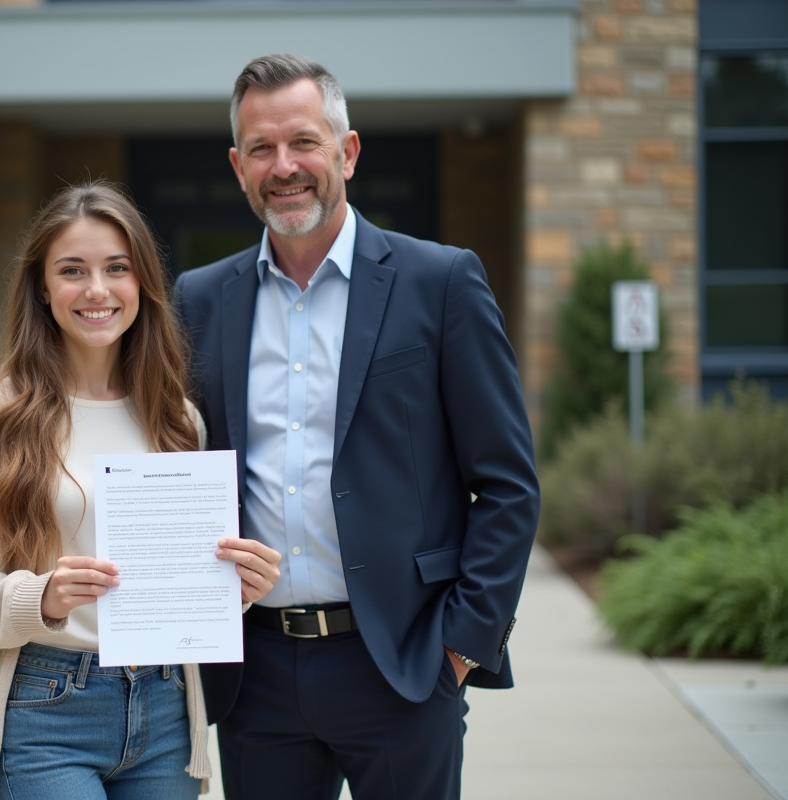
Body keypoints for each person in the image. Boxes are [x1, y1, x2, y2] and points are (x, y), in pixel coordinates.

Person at [174, 54, 540, 800]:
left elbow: (507, 482)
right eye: (263, 150)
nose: (285, 167)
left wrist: (463, 644)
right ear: (238, 166)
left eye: (304, 142)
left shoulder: (441, 282)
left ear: (347, 151)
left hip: (404, 664)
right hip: (259, 674)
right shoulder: (201, 299)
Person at [0, 181, 282, 800]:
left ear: (141, 283)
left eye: (117, 268)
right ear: (42, 285)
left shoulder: (178, 419)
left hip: (165, 708)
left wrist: (235, 589)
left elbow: (183, 577)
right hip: (42, 707)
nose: (96, 289)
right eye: (72, 270)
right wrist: (42, 597)